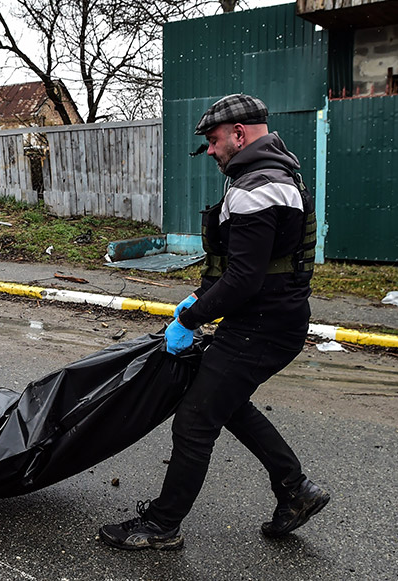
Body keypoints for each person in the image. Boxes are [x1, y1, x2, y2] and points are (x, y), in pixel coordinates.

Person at [99, 94, 327, 551]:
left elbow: (243, 278)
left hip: (261, 326)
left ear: (239, 134)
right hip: (270, 319)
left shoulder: (257, 186)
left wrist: (190, 316)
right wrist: (201, 299)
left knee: (195, 421)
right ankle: (294, 489)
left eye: (213, 139)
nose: (210, 150)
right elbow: (247, 268)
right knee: (227, 405)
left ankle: (162, 525)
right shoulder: (273, 175)